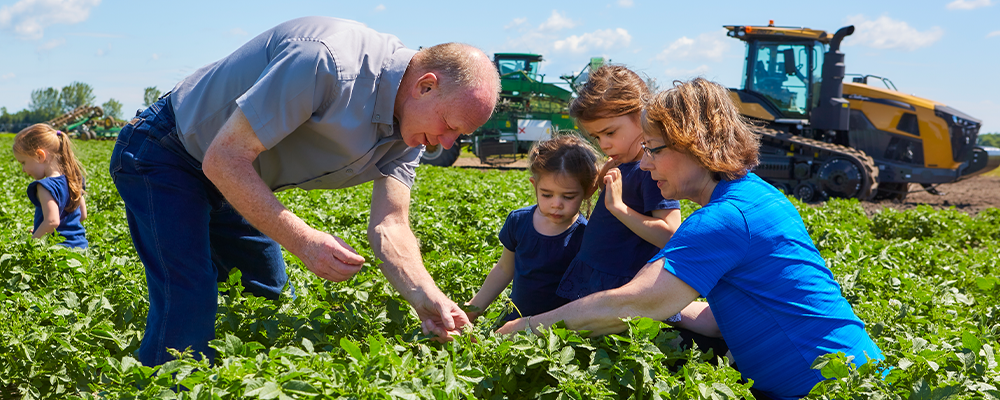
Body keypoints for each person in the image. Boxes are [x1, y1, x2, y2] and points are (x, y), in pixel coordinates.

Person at [109, 16, 500, 366]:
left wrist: (426, 298)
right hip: (166, 151)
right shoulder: (325, 62)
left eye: (458, 135)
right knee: (189, 298)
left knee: (269, 297)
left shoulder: (412, 134)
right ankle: (165, 386)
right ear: (426, 86)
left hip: (237, 176)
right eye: (449, 126)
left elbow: (391, 226)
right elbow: (223, 159)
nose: (446, 144)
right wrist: (305, 240)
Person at [499, 78, 884, 400]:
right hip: (853, 381)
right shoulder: (758, 196)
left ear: (691, 144)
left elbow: (637, 302)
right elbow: (720, 320)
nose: (645, 163)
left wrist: (527, 327)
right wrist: (673, 309)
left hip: (827, 389)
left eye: (654, 149)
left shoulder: (724, 219)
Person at [553, 65, 683, 317]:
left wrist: (619, 209)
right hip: (597, 276)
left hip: (624, 287)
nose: (604, 144)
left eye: (610, 133)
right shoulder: (621, 164)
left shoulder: (651, 170)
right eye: (596, 137)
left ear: (642, 114)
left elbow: (670, 234)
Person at [465, 135, 600, 322]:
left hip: (558, 332)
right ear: (534, 185)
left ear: (587, 192)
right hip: (513, 325)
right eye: (547, 194)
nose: (556, 204)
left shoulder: (585, 234)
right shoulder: (518, 221)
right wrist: (472, 310)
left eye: (568, 197)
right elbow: (504, 269)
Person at [13, 124, 88, 249]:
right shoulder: (73, 179)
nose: (23, 170)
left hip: (60, 251)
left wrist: (32, 242)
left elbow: (52, 221)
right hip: (81, 248)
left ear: (39, 156)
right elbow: (83, 215)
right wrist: (39, 230)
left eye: (23, 163)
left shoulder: (45, 186)